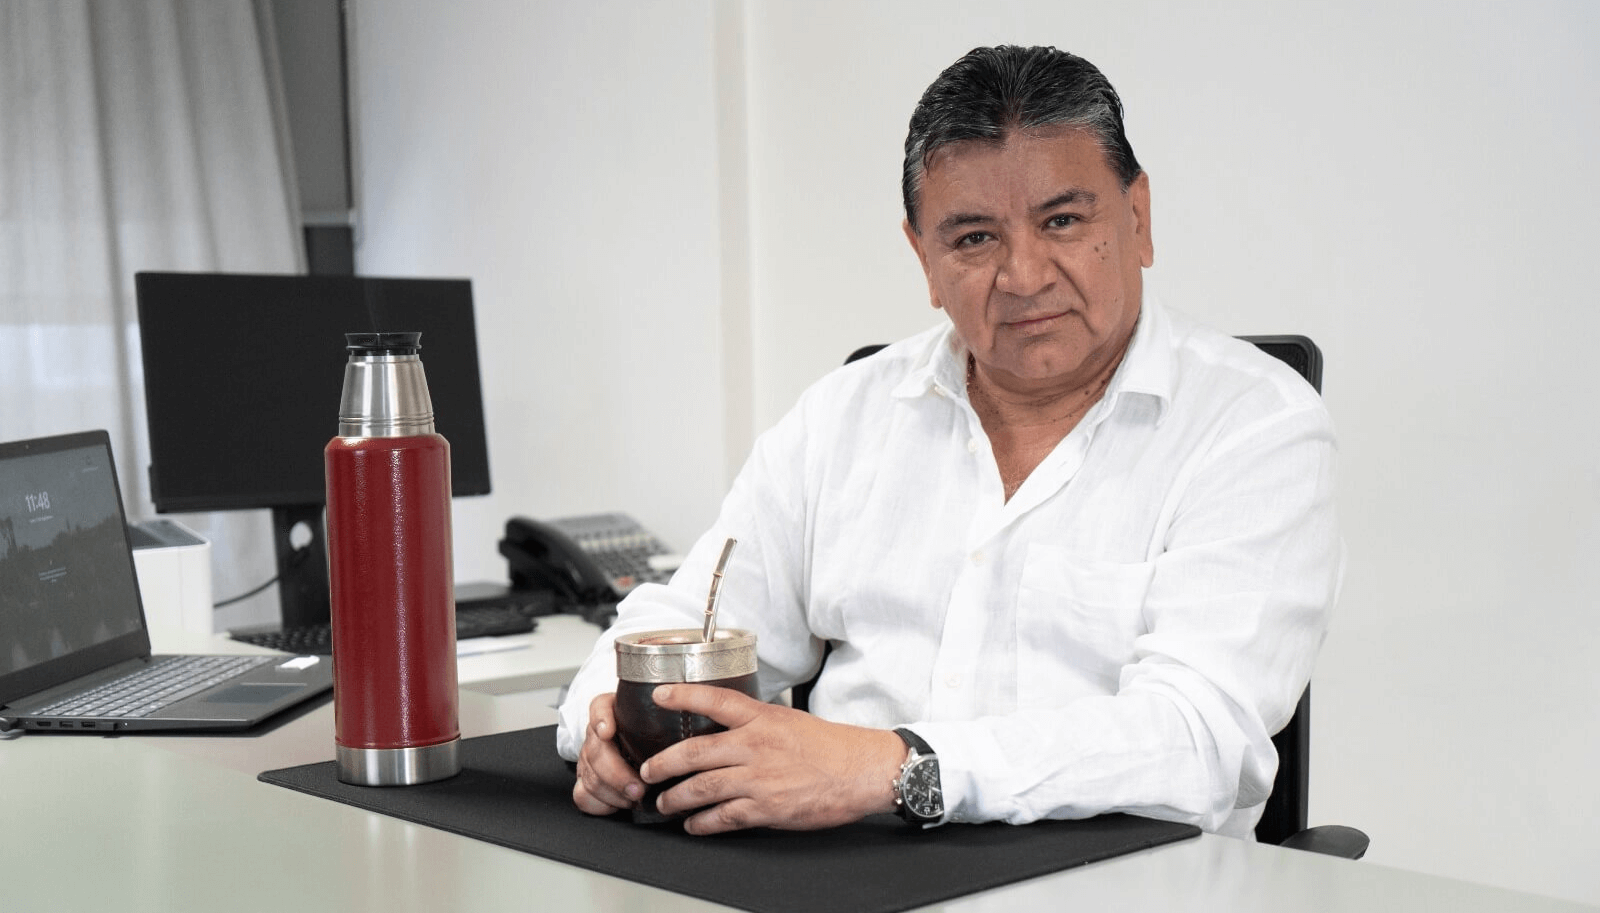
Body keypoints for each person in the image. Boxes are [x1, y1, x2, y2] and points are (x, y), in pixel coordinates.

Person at [555, 45, 1341, 839]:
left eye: (1063, 221)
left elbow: (1198, 738)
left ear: (1137, 217)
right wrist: (607, 726)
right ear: (923, 258)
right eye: (973, 239)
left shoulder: (1255, 423)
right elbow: (683, 619)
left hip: (1121, 881)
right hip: (842, 874)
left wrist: (895, 767)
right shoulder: (843, 416)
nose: (1025, 274)